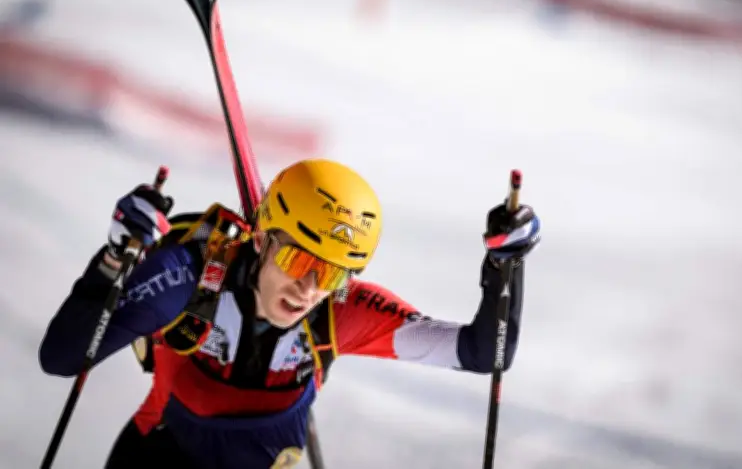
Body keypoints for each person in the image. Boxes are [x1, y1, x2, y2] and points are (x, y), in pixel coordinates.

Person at [38, 158, 541, 469]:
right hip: (159, 459)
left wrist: (505, 268)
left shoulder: (340, 312)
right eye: (297, 259)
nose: (309, 288)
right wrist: (113, 261)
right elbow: (62, 356)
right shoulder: (192, 277)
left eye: (334, 274)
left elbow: (484, 353)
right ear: (260, 239)